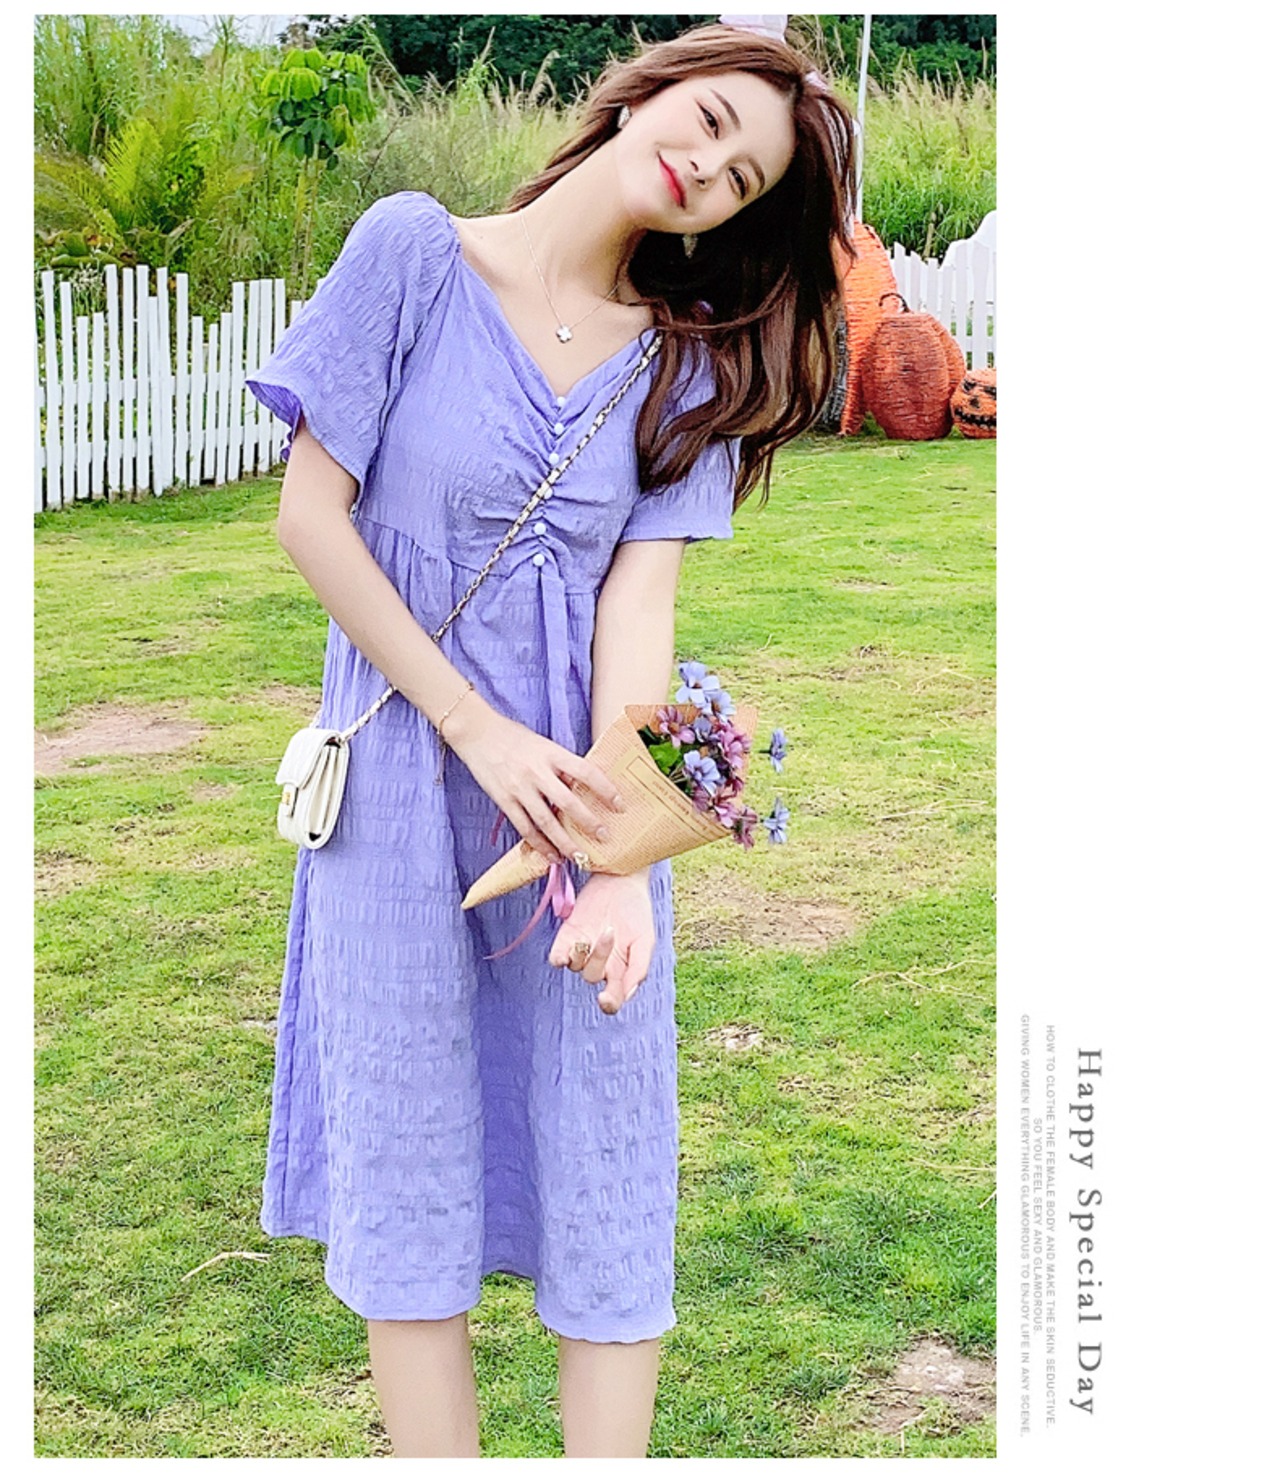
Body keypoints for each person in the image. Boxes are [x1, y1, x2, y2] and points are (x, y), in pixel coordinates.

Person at [244, 20, 854, 1459]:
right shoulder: (412, 254)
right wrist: (479, 734)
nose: (707, 166)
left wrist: (625, 864)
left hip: (580, 805)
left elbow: (635, 614)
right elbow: (311, 522)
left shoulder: (690, 368)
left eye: (743, 180)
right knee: (408, 1159)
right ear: (650, 91)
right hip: (398, 792)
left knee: (607, 1159)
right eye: (712, 121)